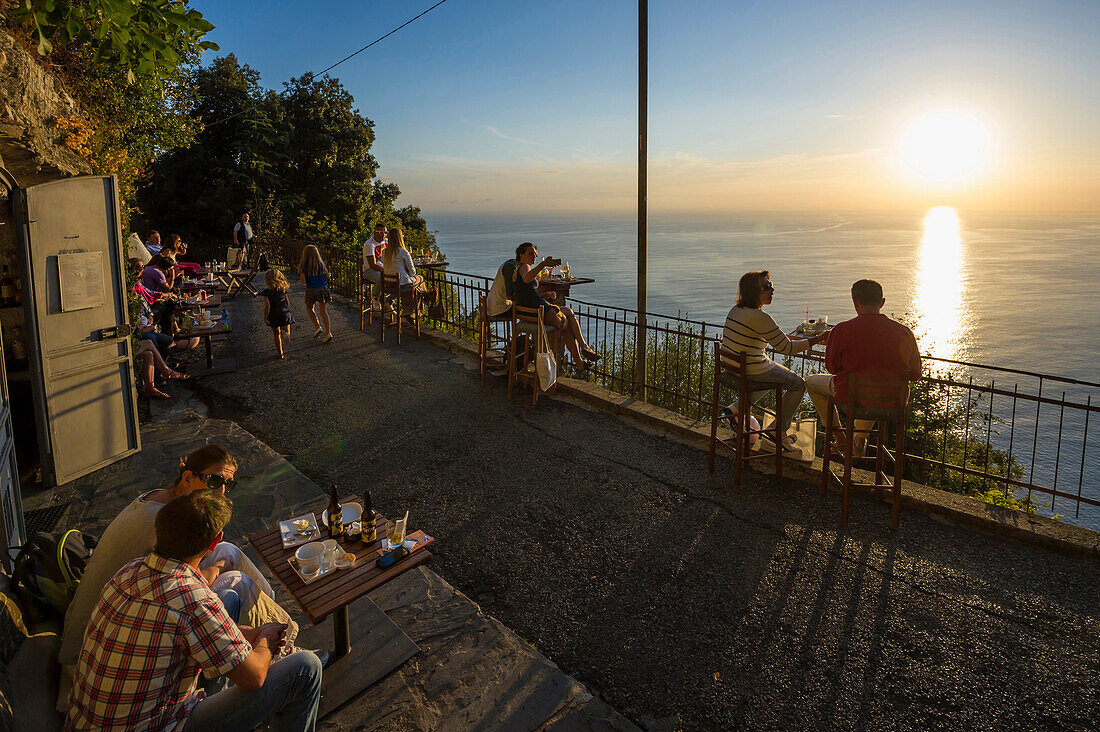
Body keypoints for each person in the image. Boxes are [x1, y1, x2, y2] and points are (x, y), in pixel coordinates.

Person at [57, 446, 303, 712]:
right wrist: (218, 570)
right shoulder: (160, 529)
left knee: (229, 555)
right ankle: (282, 647)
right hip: (96, 657)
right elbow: (188, 591)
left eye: (227, 485)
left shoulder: (158, 504)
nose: (220, 491)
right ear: (187, 478)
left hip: (111, 632)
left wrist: (217, 564)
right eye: (215, 481)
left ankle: (274, 629)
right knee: (236, 584)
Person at [806, 278, 923, 456]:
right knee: (870, 390)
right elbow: (915, 374)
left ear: (855, 302)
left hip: (853, 398)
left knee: (812, 382)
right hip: (892, 402)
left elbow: (831, 367)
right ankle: (859, 440)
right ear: (882, 303)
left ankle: (840, 438)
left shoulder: (842, 330)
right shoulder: (904, 332)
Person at [720, 270, 826, 456]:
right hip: (752, 369)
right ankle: (777, 431)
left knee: (775, 376)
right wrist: (817, 339)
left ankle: (736, 407)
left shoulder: (735, 310)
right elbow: (788, 348)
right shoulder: (762, 318)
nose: (772, 289)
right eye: (767, 287)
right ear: (754, 292)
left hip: (733, 367)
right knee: (798, 383)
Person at [298, 244, 333, 343]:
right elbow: (327, 277)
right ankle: (328, 333)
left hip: (311, 289)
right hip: (323, 288)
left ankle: (318, 327)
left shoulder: (304, 266)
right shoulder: (322, 264)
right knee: (323, 311)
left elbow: (303, 281)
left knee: (309, 308)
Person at [262, 269, 295, 359]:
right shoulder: (283, 289)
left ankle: (280, 353)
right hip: (285, 313)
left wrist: (266, 318)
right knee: (286, 330)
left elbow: (267, 307)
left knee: (276, 334)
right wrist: (287, 310)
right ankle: (287, 335)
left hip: (274, 314)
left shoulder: (266, 293)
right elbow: (287, 302)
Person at [361, 223, 387, 291]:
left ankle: (389, 299)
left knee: (398, 277)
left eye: (385, 232)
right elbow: (372, 265)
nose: (384, 235)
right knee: (381, 278)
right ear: (375, 233)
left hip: (384, 268)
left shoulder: (386, 241)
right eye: (381, 232)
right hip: (370, 271)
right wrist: (387, 271)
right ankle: (376, 297)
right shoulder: (369, 244)